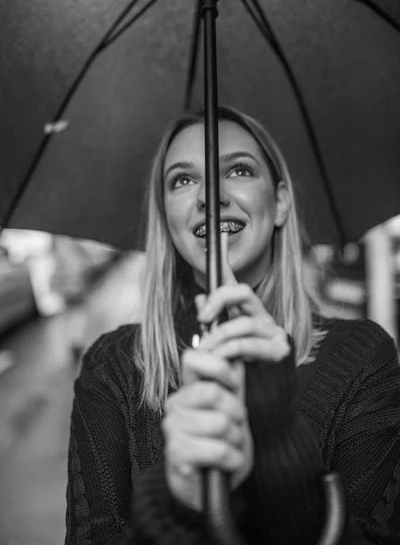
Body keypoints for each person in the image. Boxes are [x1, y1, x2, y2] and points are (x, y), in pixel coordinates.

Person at [65, 106, 400, 545]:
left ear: (279, 202)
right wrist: (179, 503)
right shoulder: (112, 366)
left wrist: (279, 450)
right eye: (183, 180)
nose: (209, 196)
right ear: (167, 216)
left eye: (239, 170)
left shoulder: (363, 356)